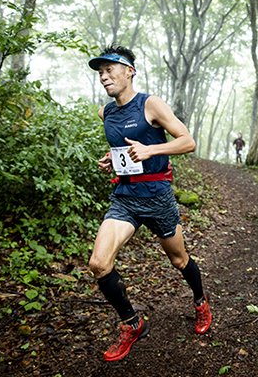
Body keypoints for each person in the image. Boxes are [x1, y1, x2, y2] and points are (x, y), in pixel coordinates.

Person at [87, 45, 212, 362]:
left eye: (110, 69)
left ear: (129, 70)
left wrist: (151, 150)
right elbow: (123, 152)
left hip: (157, 197)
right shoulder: (107, 112)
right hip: (125, 197)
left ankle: (200, 301)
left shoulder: (150, 104)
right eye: (100, 72)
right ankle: (132, 324)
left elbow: (187, 141)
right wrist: (111, 161)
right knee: (99, 264)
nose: (104, 76)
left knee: (179, 261)